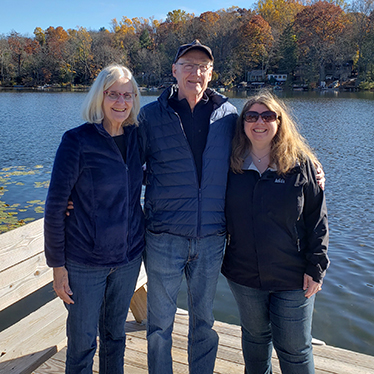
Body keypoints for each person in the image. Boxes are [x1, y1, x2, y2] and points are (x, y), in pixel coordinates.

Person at [137, 40, 238, 374]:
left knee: (204, 323)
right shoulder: (150, 115)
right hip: (164, 237)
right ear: (174, 71)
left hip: (211, 238)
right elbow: (125, 165)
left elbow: (264, 151)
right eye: (189, 65)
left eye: (203, 66)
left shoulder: (229, 115)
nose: (196, 72)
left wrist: (309, 167)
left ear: (211, 72)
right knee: (159, 325)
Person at [44, 64, 144, 374]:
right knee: (83, 342)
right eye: (112, 94)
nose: (120, 102)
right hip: (85, 261)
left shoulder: (139, 137)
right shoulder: (77, 141)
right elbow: (56, 205)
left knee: (115, 336)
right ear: (99, 98)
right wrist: (57, 267)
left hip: (128, 259)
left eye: (127, 95)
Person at [221, 90, 330, 374]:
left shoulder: (300, 165)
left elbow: (317, 219)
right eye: (252, 116)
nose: (260, 122)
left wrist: (317, 266)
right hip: (244, 274)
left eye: (269, 116)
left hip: (294, 276)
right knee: (255, 342)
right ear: (243, 123)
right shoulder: (229, 165)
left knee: (295, 350)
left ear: (280, 122)